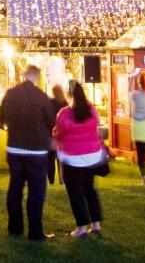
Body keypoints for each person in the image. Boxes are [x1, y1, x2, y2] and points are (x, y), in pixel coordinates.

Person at [0, 65, 57, 241]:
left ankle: (15, 228)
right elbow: (50, 121)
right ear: (37, 78)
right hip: (36, 150)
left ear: (24, 76)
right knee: (36, 192)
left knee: (15, 188)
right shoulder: (41, 96)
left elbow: (2, 117)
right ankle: (35, 232)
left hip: (15, 147)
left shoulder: (10, 94)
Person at [54, 82, 105, 239]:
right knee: (89, 189)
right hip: (92, 156)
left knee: (75, 193)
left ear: (70, 95)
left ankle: (81, 227)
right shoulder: (91, 109)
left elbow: (59, 134)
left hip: (73, 158)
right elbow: (97, 124)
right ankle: (96, 224)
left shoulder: (64, 113)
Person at [48, 84, 68, 185]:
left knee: (50, 158)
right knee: (61, 158)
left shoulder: (50, 103)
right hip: (62, 133)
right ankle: (62, 179)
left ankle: (51, 180)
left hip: (51, 133)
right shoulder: (65, 103)